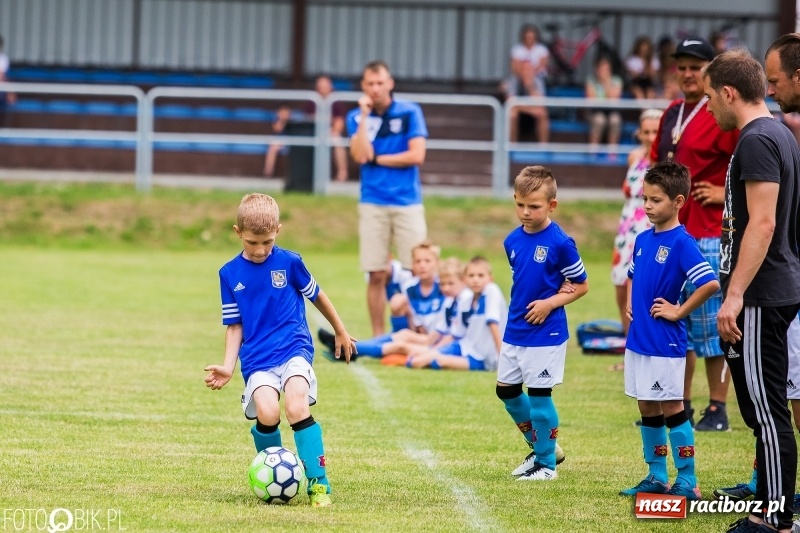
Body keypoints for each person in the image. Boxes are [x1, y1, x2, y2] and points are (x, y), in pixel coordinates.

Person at [203, 193, 356, 508]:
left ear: (278, 231)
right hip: (257, 358)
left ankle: (319, 485)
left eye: (267, 243)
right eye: (252, 243)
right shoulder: (229, 274)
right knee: (268, 412)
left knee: (296, 406)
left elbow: (318, 296)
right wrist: (229, 366)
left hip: (294, 347)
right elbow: (234, 326)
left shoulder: (290, 262)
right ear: (237, 233)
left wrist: (340, 329)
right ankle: (271, 473)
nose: (260, 251)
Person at [703, 49, 800, 533]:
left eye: (709, 98)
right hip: (763, 291)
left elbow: (762, 223)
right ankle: (768, 508)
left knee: (767, 412)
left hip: (760, 295)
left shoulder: (759, 138)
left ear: (728, 92)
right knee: (761, 409)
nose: (708, 109)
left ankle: (776, 520)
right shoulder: (775, 132)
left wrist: (736, 293)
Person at [650, 36, 738, 432]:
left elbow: (747, 161)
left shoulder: (720, 112)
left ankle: (717, 407)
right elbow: (657, 165)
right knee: (675, 323)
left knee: (707, 325)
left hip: (708, 230)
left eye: (695, 67)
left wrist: (723, 192)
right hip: (670, 233)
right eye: (681, 66)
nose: (687, 73)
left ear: (709, 71)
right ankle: (680, 404)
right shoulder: (672, 112)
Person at [618, 160, 720, 501]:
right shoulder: (644, 239)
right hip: (639, 340)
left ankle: (687, 480)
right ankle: (656, 475)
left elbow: (709, 284)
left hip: (665, 342)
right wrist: (632, 301)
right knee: (646, 406)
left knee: (672, 406)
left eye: (656, 200)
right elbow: (633, 273)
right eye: (645, 199)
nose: (647, 206)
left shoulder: (681, 242)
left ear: (678, 202)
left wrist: (679, 310)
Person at [496, 165, 589, 481]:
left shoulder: (561, 242)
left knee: (539, 396)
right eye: (520, 204)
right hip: (516, 328)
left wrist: (550, 303)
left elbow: (581, 284)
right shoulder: (511, 240)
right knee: (506, 391)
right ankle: (543, 447)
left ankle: (547, 465)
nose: (525, 212)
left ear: (551, 205)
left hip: (546, 332)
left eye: (534, 206)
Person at [347, 60, 428, 338]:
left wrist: (379, 158)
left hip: (407, 202)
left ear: (390, 83)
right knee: (376, 274)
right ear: (363, 87)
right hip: (372, 201)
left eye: (380, 82)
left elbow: (417, 155)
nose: (375, 88)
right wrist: (364, 117)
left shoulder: (410, 112)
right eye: (370, 83)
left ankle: (420, 331)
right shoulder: (356, 117)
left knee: (417, 270)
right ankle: (380, 336)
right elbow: (359, 155)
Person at [318, 240, 445, 362]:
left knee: (401, 341)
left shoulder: (444, 288)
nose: (422, 265)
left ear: (438, 263)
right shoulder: (410, 286)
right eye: (418, 261)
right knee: (400, 319)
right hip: (421, 334)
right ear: (412, 264)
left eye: (427, 261)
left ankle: (348, 347)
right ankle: (347, 345)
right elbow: (414, 318)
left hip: (436, 339)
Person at [611, 108, 662, 339]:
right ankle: (627, 344)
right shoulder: (634, 157)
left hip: (650, 228)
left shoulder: (666, 160)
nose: (651, 137)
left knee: (643, 288)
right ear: (639, 134)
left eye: (656, 131)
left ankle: (644, 343)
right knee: (621, 287)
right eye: (647, 132)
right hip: (627, 229)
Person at [406, 256, 507, 371]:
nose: (475, 280)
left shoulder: (491, 291)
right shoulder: (466, 301)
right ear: (465, 279)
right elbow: (456, 334)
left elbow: (493, 324)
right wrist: (432, 350)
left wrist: (503, 358)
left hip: (483, 358)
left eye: (480, 275)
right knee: (416, 360)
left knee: (435, 362)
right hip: (465, 347)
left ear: (490, 278)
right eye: (471, 276)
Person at [264, 75, 350, 180]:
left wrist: (329, 129)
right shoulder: (312, 102)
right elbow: (307, 121)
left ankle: (342, 173)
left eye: (325, 86)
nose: (323, 89)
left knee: (337, 141)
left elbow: (339, 124)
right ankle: (269, 174)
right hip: (312, 133)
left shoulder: (336, 102)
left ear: (331, 87)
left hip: (329, 134)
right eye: (320, 87)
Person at [507, 24, 550, 143]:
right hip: (522, 106)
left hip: (527, 102)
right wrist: (529, 108)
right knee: (512, 115)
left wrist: (530, 84)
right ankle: (512, 147)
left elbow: (540, 103)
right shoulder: (514, 81)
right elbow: (510, 103)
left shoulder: (537, 81)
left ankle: (543, 148)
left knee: (542, 114)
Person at [585, 55, 622, 147]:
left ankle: (612, 151)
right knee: (599, 120)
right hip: (595, 111)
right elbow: (591, 99)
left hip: (611, 111)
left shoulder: (616, 81)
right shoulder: (591, 80)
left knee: (615, 120)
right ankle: (593, 150)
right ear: (597, 69)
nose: (604, 71)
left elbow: (613, 99)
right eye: (602, 69)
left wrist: (606, 83)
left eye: (607, 69)